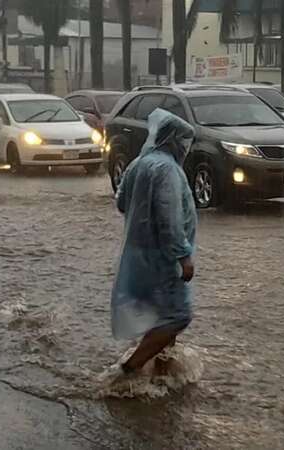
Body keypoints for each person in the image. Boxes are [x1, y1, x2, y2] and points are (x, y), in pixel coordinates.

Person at [102, 108, 197, 383]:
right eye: (182, 140)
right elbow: (170, 216)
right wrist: (182, 256)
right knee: (178, 316)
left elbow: (121, 202)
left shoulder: (138, 164)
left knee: (161, 317)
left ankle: (162, 375)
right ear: (171, 139)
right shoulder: (167, 169)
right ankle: (127, 371)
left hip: (139, 256)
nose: (184, 147)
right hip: (162, 259)